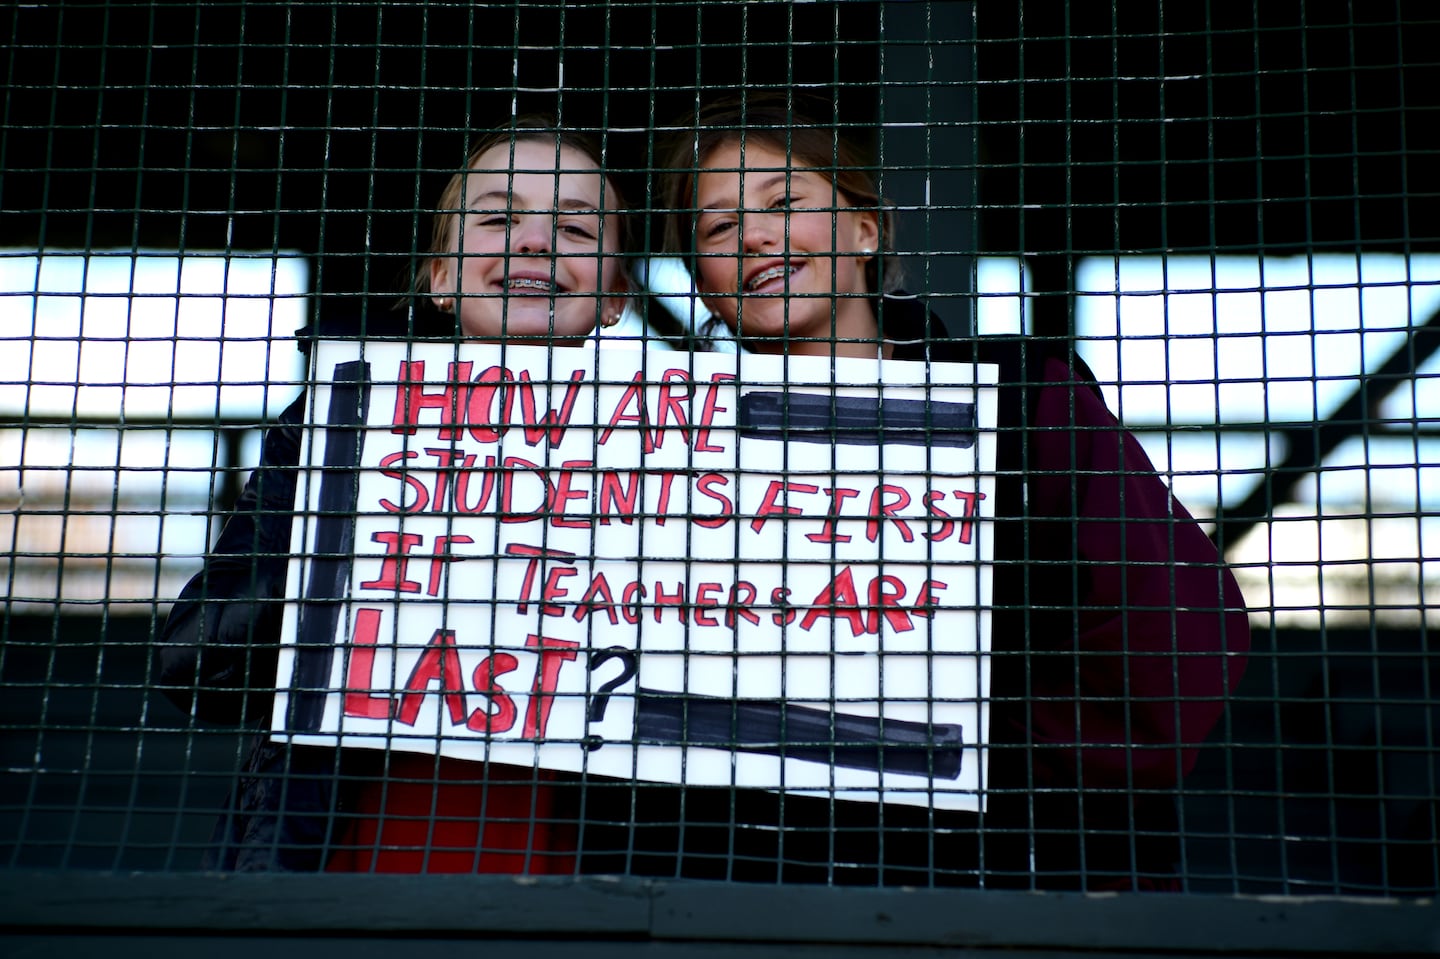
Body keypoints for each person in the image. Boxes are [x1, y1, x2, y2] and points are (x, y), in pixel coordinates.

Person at [576, 96, 1249, 890]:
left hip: (1014, 874)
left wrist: (975, 717)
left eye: (785, 204)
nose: (755, 235)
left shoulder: (1026, 400)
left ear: (868, 230)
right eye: (719, 229)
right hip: (737, 882)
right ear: (707, 285)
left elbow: (1179, 651)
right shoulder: (653, 446)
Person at [157, 117, 633, 873]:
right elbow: (196, 668)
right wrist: (364, 511)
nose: (536, 243)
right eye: (499, 219)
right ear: (441, 276)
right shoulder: (335, 427)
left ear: (616, 293)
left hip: (586, 879)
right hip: (339, 870)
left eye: (575, 228)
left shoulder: (669, 448)